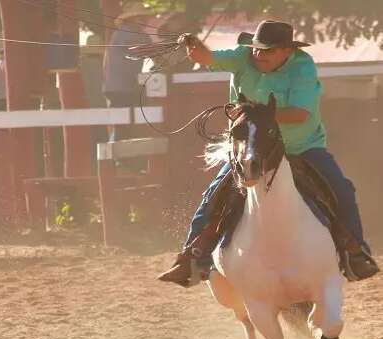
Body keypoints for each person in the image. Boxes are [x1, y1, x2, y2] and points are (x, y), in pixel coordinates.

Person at [158, 20, 379, 285]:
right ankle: (191, 258)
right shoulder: (242, 56)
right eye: (256, 49)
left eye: (268, 51)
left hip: (301, 147)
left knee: (342, 189)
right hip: (250, 146)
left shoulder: (302, 66)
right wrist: (194, 43)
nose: (259, 55)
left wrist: (259, 115)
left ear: (287, 50)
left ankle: (355, 253)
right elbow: (206, 57)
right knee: (214, 194)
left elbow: (300, 113)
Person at [103, 4, 152, 142]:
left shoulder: (135, 34)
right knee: (124, 124)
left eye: (145, 17)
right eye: (140, 17)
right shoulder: (127, 34)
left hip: (121, 86)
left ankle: (121, 157)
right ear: (131, 19)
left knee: (124, 123)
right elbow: (148, 50)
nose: (145, 20)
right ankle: (120, 158)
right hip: (121, 87)